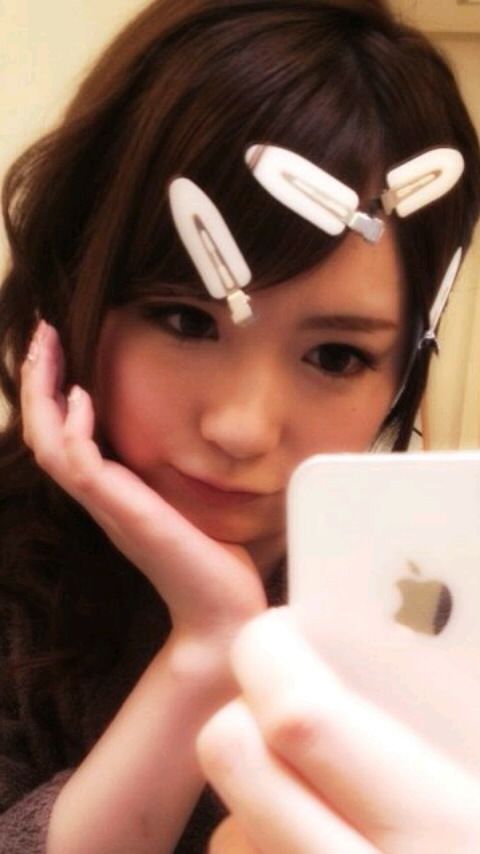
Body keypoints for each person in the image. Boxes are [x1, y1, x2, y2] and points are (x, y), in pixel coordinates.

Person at [0, 0, 479, 851]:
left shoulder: (435, 595)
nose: (243, 429)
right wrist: (209, 641)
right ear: (77, 289)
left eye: (336, 356)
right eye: (186, 320)